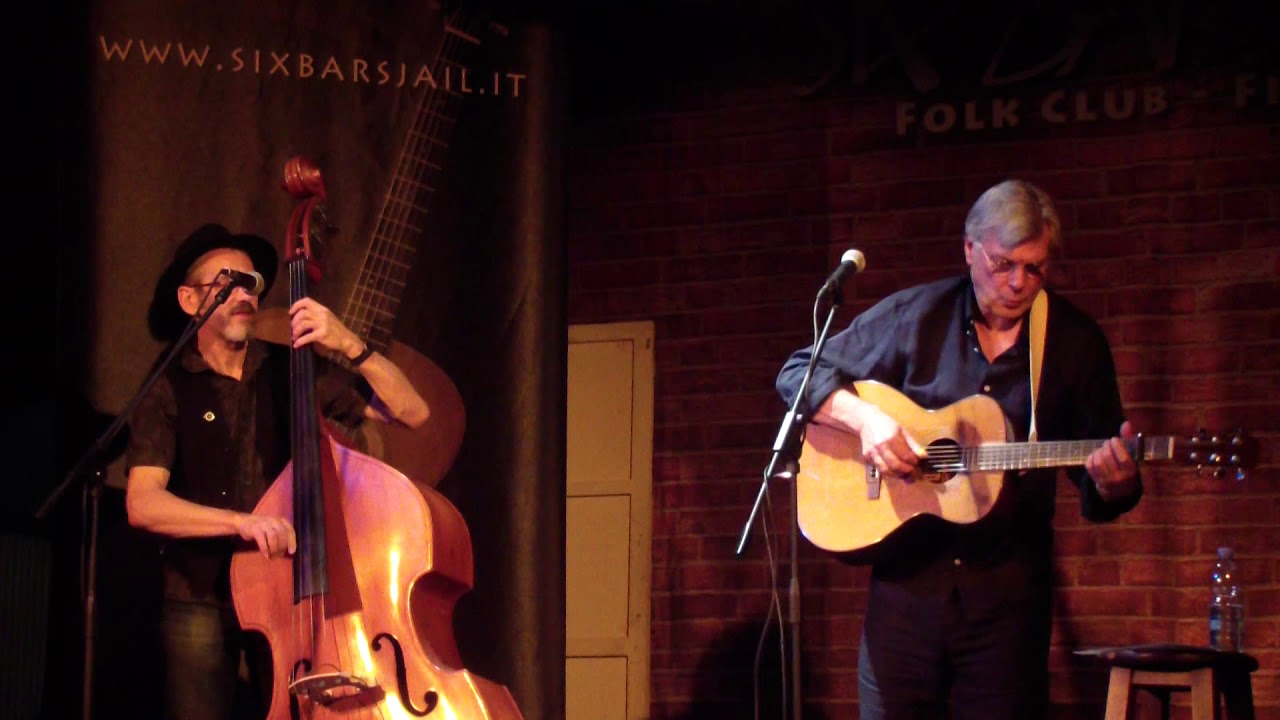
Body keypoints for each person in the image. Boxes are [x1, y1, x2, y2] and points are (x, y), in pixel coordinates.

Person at [775, 179, 1143, 719]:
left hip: (1008, 604)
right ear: (970, 249)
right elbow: (797, 374)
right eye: (1003, 264)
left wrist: (1117, 483)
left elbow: (1099, 484)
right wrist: (868, 420)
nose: (1019, 283)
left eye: (1035, 268)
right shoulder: (915, 317)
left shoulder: (1074, 343)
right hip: (905, 594)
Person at [123, 222, 430, 720]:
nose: (244, 292)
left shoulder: (294, 369)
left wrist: (350, 343)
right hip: (199, 598)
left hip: (288, 598)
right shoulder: (168, 385)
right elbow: (142, 503)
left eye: (251, 283)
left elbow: (413, 412)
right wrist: (240, 523)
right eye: (227, 281)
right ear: (187, 299)